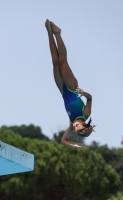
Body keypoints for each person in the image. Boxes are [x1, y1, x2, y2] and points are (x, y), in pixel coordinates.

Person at [45, 19, 95, 148]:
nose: (75, 126)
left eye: (76, 129)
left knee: (55, 63)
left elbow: (63, 140)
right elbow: (90, 98)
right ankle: (58, 33)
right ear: (84, 124)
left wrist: (74, 145)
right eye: (78, 127)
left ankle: (49, 33)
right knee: (62, 62)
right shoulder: (86, 114)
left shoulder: (71, 122)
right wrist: (83, 93)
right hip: (73, 89)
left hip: (63, 90)